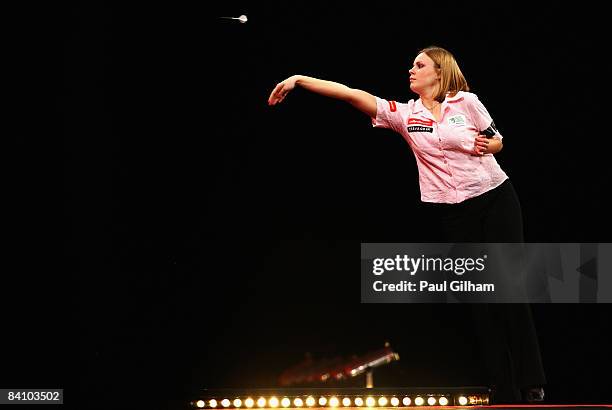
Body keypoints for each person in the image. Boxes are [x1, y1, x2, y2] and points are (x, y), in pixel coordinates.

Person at [268, 46, 546, 403]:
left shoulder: (467, 102)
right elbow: (352, 94)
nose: (411, 70)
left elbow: (497, 139)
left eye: (420, 65)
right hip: (454, 210)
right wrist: (299, 80)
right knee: (480, 296)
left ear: (439, 72)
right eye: (412, 65)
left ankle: (531, 381)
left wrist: (490, 146)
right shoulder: (404, 113)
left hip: (495, 197)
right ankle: (501, 384)